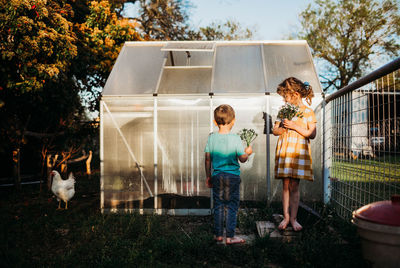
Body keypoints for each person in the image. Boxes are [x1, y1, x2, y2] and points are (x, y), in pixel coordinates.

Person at [272, 77, 316, 231]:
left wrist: (295, 126)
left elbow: (312, 134)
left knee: (295, 186)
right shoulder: (284, 111)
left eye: (286, 96)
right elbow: (274, 130)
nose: (284, 100)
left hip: (298, 153)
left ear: (295, 94)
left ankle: (294, 218)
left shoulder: (308, 112)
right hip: (285, 152)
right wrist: (283, 128)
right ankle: (286, 217)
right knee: (285, 185)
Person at [204, 104, 253, 244]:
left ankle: (218, 235)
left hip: (217, 176)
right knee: (232, 206)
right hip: (232, 177)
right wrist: (247, 153)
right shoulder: (236, 138)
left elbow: (207, 159)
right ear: (233, 121)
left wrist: (208, 176)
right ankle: (230, 237)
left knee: (218, 205)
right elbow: (242, 159)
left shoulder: (211, 138)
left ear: (215, 122)